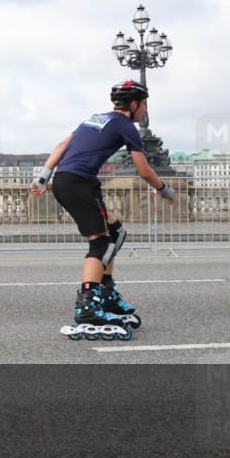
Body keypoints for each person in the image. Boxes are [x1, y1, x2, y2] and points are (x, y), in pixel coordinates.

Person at [29, 80, 177, 339]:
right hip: (78, 183)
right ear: (133, 105)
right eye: (144, 105)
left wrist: (43, 177)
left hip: (69, 179)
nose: (145, 111)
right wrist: (165, 190)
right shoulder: (125, 125)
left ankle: (106, 294)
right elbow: (143, 169)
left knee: (116, 233)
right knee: (101, 244)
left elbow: (62, 145)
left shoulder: (95, 118)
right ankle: (87, 306)